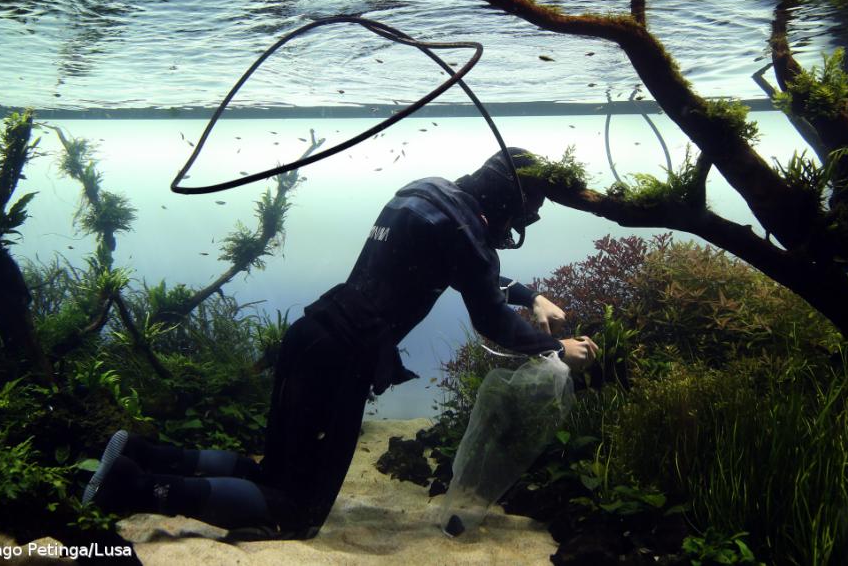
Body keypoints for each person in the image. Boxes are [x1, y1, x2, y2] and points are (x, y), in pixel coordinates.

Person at [81, 147, 599, 539]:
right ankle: (135, 488)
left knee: (273, 473)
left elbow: (453, 267)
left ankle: (144, 453)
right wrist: (557, 349)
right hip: (341, 362)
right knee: (294, 513)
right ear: (508, 201)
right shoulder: (469, 239)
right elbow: (493, 321)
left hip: (311, 335)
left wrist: (531, 295)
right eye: (525, 215)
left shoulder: (424, 192)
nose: (519, 226)